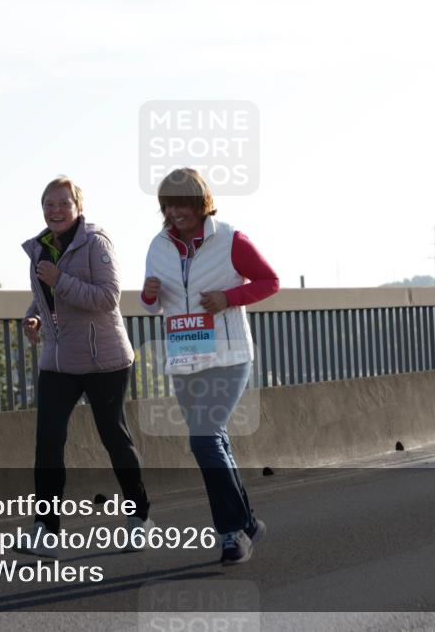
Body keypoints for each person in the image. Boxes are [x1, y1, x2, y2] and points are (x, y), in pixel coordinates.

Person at [140, 167, 280, 565]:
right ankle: (247, 523)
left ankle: (231, 534)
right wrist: (148, 295)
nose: (175, 211)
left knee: (203, 439)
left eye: (183, 202)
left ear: (201, 202)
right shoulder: (158, 245)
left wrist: (229, 297)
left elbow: (269, 281)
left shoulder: (230, 238)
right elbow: (153, 303)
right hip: (184, 358)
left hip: (228, 355)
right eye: (168, 204)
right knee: (213, 439)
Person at [20, 176, 152, 558]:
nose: (55, 210)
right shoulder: (41, 246)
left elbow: (108, 298)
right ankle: (45, 529)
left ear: (78, 206)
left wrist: (61, 279)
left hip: (103, 360)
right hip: (59, 359)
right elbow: (43, 297)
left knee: (113, 436)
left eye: (63, 203)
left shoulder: (95, 242)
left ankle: (139, 518)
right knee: (47, 442)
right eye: (49, 204)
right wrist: (35, 318)